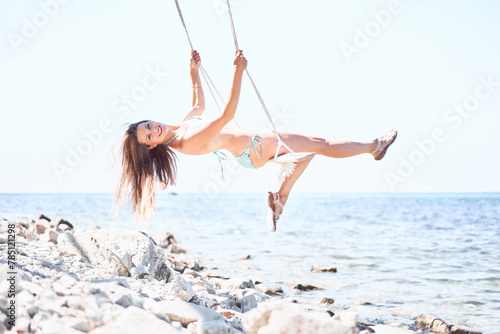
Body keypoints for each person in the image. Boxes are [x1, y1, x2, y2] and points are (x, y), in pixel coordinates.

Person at [115, 50, 397, 230]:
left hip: (253, 150)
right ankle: (374, 147)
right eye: (149, 136)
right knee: (319, 144)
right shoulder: (185, 142)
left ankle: (280, 201)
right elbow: (226, 116)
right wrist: (238, 72)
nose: (154, 130)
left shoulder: (179, 128)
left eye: (149, 126)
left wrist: (193, 72)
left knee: (307, 151)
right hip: (256, 147)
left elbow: (198, 105)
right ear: (151, 146)